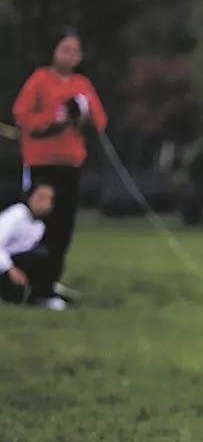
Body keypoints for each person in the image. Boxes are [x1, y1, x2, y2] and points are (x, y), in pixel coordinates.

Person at [12, 27, 108, 303]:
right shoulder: (40, 80)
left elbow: (100, 121)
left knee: (63, 226)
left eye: (75, 51)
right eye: (65, 49)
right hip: (43, 163)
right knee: (40, 224)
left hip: (71, 164)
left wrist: (83, 114)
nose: (70, 56)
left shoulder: (82, 85)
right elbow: (22, 116)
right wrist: (52, 121)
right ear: (54, 51)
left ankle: (51, 280)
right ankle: (32, 285)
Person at [0, 183, 65, 310]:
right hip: (5, 265)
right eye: (41, 198)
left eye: (49, 199)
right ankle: (42, 295)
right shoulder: (17, 214)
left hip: (13, 264)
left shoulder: (39, 226)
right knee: (42, 255)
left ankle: (41, 292)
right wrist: (10, 268)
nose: (45, 203)